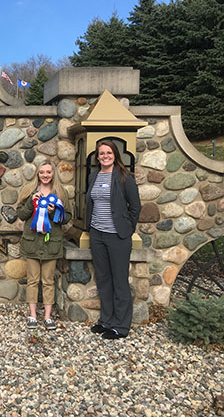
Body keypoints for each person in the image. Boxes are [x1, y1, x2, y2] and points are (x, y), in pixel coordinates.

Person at [86, 140, 141, 340]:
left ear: (115, 155)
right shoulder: (93, 176)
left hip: (117, 237)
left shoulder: (125, 177)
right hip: (97, 234)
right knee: (103, 279)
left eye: (109, 152)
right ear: (97, 157)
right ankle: (106, 321)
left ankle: (121, 326)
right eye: (101, 153)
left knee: (119, 281)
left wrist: (126, 229)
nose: (105, 156)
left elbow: (135, 207)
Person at [17, 160, 70, 331]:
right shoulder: (29, 191)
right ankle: (32, 315)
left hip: (51, 244)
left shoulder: (60, 193)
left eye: (48, 172)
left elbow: (67, 218)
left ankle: (47, 316)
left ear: (53, 173)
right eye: (42, 172)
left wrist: (54, 212)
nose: (45, 175)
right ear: (37, 174)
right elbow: (21, 214)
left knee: (48, 281)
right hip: (32, 242)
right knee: (32, 280)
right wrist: (30, 204)